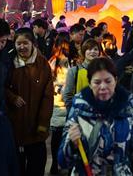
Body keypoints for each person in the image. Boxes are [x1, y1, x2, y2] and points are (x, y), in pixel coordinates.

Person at [58, 57, 133, 175]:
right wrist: (72, 143)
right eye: (97, 82)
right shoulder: (79, 108)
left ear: (115, 80)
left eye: (108, 81)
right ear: (89, 83)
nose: (103, 87)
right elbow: (63, 161)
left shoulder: (127, 106)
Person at [7, 28, 53, 176]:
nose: (22, 47)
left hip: (35, 126)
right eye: (18, 43)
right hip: (14, 125)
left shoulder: (42, 64)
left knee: (36, 165)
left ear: (33, 43)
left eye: (25, 43)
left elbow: (48, 96)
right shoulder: (9, 62)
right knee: (16, 167)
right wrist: (12, 97)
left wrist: (43, 124)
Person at [48, 35, 71, 175]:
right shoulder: (69, 62)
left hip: (56, 103)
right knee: (66, 136)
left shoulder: (52, 61)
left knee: (56, 136)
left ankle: (55, 164)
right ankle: (63, 164)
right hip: (65, 103)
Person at [62, 38, 102, 110]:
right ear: (84, 52)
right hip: (79, 112)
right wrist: (71, 111)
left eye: (96, 49)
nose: (93, 52)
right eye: (89, 49)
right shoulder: (74, 71)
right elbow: (67, 95)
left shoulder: (103, 71)